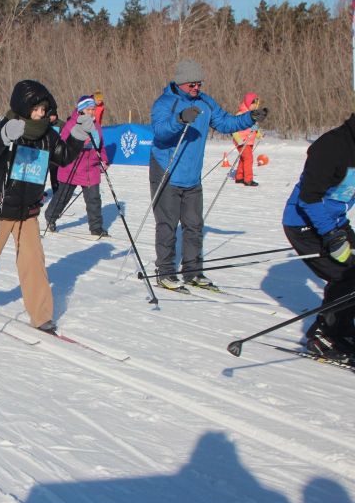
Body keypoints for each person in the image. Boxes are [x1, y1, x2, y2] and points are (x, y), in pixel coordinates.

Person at [0, 80, 93, 332]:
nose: (40, 114)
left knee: (34, 263)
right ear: (23, 107)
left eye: (43, 109)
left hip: (27, 211)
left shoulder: (47, 135)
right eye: (36, 109)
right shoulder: (6, 126)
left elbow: (63, 156)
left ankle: (41, 315)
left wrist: (78, 135)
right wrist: (2, 138)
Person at [149, 59, 267, 291]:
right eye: (192, 84)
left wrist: (250, 118)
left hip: (192, 174)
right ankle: (165, 271)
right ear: (180, 82)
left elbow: (224, 122)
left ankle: (192, 271)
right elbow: (160, 132)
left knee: (194, 225)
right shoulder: (165, 102)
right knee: (167, 225)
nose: (196, 88)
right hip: (167, 170)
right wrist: (179, 119)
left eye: (199, 83)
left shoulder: (205, 102)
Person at [282, 113, 355, 362]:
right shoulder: (332, 146)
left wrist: (336, 230)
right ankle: (323, 335)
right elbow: (308, 198)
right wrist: (331, 235)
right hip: (304, 223)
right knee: (346, 275)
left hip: (335, 221)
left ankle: (343, 329)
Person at [44, 95, 109, 237]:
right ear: (81, 110)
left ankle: (96, 228)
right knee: (62, 197)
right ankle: (50, 217)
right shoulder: (71, 124)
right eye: (88, 109)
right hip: (72, 167)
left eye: (93, 109)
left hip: (90, 169)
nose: (92, 112)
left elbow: (101, 147)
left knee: (94, 200)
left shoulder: (96, 126)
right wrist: (78, 142)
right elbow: (62, 144)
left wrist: (104, 160)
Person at [232, 92, 263, 186]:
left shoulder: (253, 115)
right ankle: (248, 179)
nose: (255, 107)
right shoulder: (240, 114)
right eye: (254, 104)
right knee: (248, 159)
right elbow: (234, 129)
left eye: (256, 105)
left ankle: (239, 177)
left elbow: (254, 127)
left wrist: (259, 135)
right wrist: (238, 140)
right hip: (242, 141)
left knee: (243, 159)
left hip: (249, 142)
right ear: (248, 103)